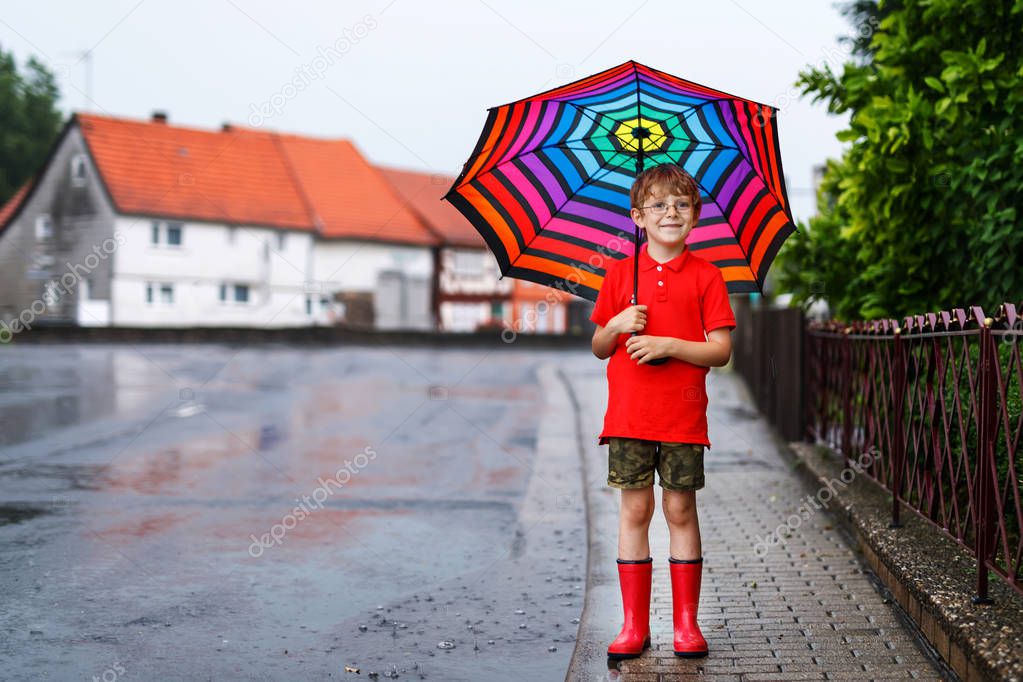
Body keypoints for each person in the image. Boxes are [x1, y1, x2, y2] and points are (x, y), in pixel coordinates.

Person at [590, 163, 736, 659]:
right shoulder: (618, 274)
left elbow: (720, 351)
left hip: (682, 417)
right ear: (638, 216)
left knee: (678, 508)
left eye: (680, 204)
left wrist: (670, 343)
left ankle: (686, 625)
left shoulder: (707, 276)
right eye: (658, 205)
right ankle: (633, 626)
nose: (670, 212)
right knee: (635, 508)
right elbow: (598, 347)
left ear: (695, 215)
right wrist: (616, 322)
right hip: (629, 415)